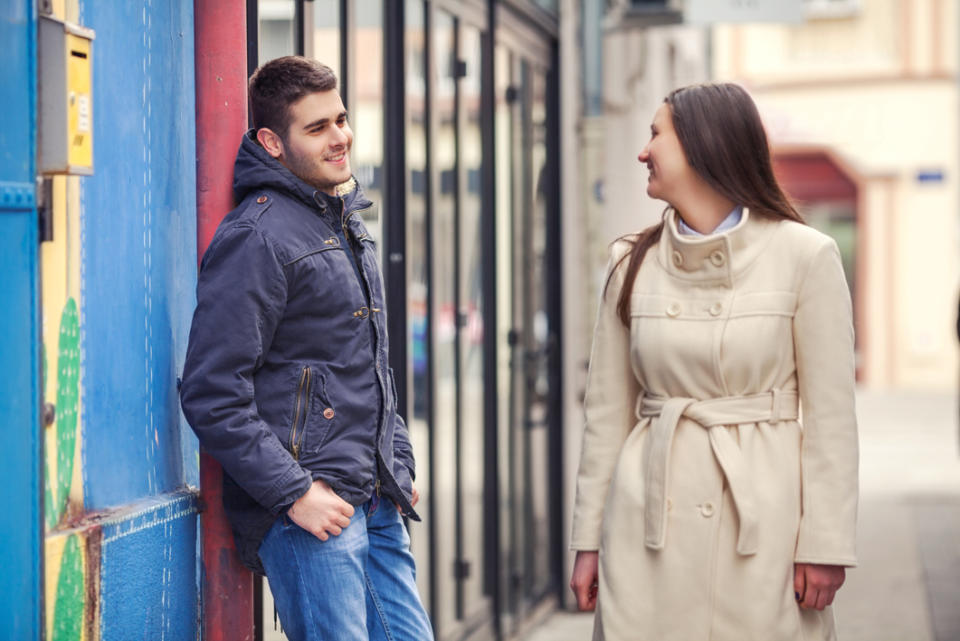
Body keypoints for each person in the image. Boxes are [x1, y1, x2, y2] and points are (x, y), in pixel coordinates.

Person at [569, 83, 858, 641]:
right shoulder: (630, 262)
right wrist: (587, 543)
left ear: (705, 145)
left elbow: (832, 423)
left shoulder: (805, 256)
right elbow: (606, 418)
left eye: (656, 134)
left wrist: (825, 543)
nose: (643, 151)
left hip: (763, 528)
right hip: (645, 527)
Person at [180, 56, 433, 641]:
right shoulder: (256, 237)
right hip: (311, 516)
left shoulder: (343, 221)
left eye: (341, 119)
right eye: (317, 128)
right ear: (272, 141)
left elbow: (367, 366)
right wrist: (295, 493)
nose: (340, 137)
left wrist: (396, 461)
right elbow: (212, 392)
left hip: (374, 500)